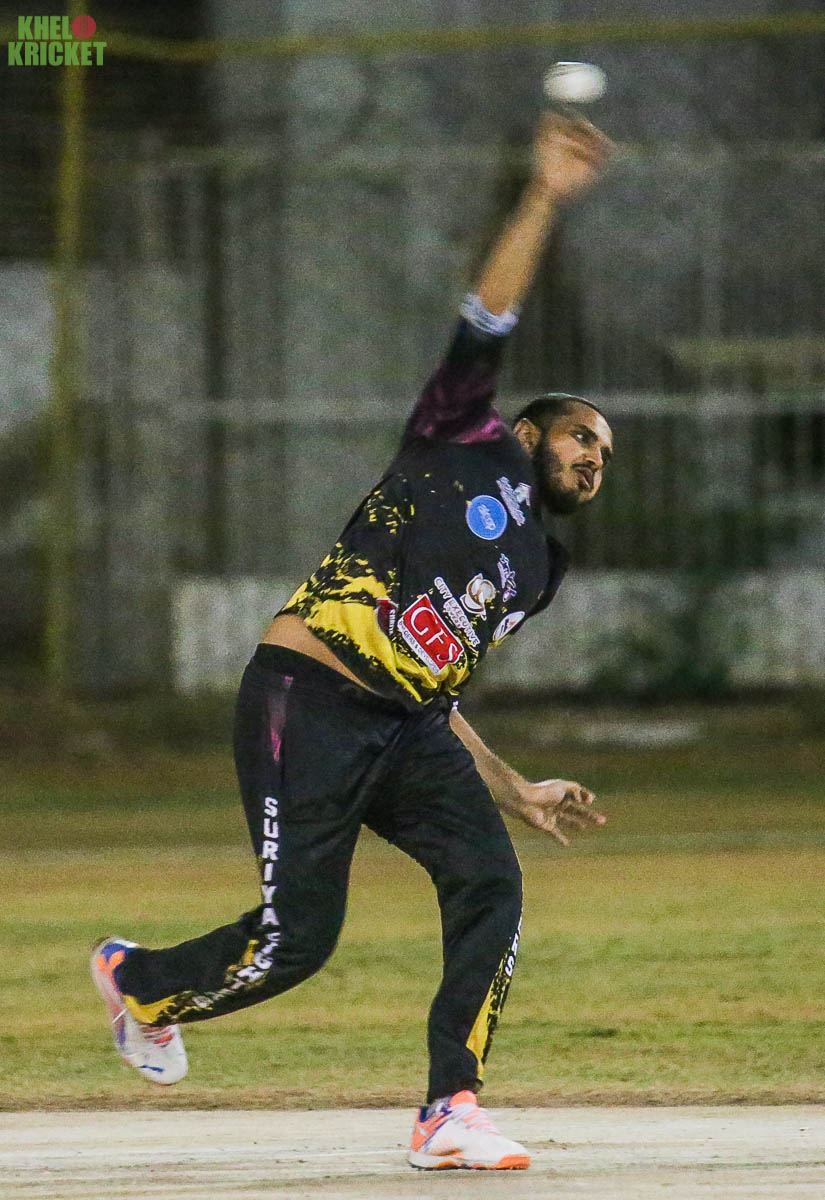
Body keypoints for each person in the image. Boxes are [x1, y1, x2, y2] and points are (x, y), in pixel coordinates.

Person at [92, 112, 614, 1171]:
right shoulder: (460, 436)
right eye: (580, 435)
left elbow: (438, 685)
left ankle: (448, 1109)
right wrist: (544, 196)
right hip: (308, 699)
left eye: (606, 454)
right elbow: (487, 315)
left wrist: (512, 786)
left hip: (406, 728)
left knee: (492, 883)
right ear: (526, 431)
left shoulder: (539, 570)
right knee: (298, 941)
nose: (595, 457)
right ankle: (139, 980)